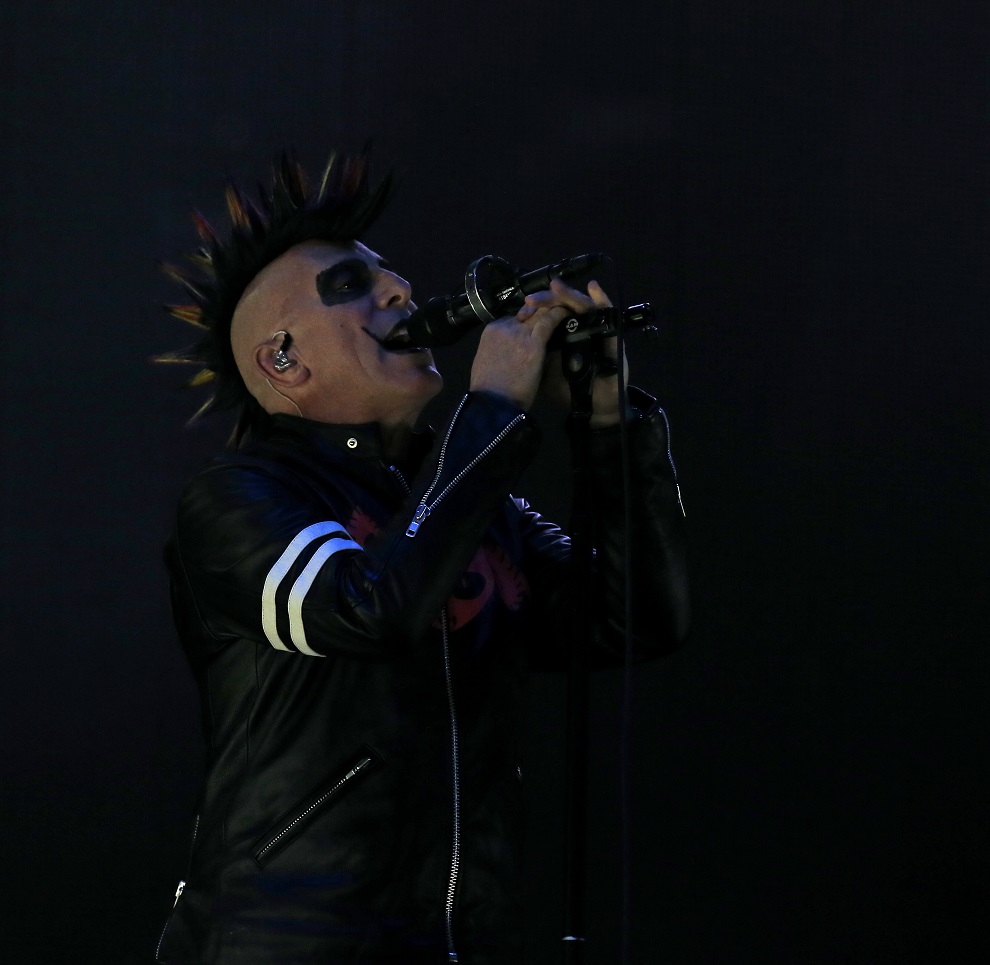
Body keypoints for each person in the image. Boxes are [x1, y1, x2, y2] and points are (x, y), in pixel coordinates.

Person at [154, 149, 689, 965]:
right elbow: (371, 607)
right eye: (351, 286)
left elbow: (633, 619)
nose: (400, 291)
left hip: (457, 940)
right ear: (283, 359)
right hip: (287, 943)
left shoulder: (472, 500)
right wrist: (493, 408)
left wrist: (611, 426)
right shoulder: (239, 499)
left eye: (392, 278)